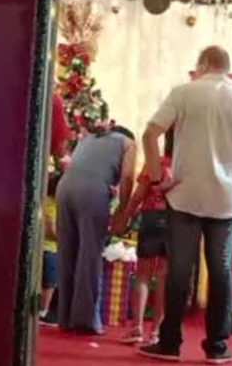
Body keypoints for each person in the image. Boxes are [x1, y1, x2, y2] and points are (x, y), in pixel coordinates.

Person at [139, 46, 232, 365]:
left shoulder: (183, 93)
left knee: (179, 271)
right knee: (221, 272)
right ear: (226, 68)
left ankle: (169, 343)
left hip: (185, 196)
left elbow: (150, 134)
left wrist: (157, 178)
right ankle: (217, 347)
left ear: (204, 64)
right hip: (226, 201)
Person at [56, 124, 137, 334]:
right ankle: (85, 320)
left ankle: (64, 317)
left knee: (67, 252)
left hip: (64, 188)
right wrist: (122, 209)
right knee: (89, 254)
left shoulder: (89, 138)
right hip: (91, 192)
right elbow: (128, 177)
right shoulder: (128, 143)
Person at [116, 129, 175, 345]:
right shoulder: (187, 166)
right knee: (164, 277)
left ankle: (137, 327)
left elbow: (139, 195)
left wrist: (125, 216)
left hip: (151, 219)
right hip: (176, 221)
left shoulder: (155, 162)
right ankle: (156, 332)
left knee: (143, 274)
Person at [40, 172, 61, 325]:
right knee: (49, 282)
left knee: (50, 281)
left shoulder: (52, 203)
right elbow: (50, 230)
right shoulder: (50, 204)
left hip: (51, 248)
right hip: (48, 248)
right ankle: (43, 312)